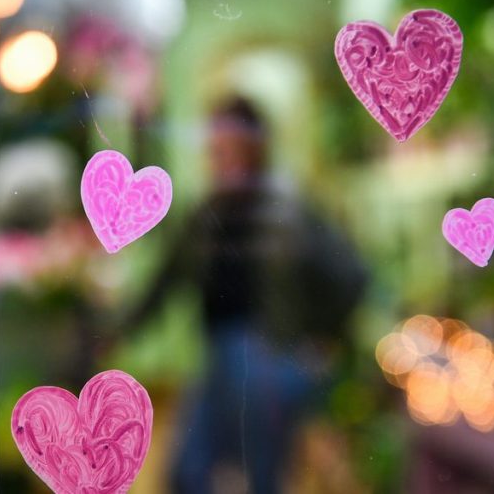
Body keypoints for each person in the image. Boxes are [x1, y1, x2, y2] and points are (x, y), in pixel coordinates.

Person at [126, 96, 367, 493]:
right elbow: (164, 283)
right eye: (214, 147)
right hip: (218, 360)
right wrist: (118, 331)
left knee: (260, 473)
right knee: (189, 472)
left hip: (269, 358)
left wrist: (321, 344)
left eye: (229, 144)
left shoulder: (288, 213)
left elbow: (351, 276)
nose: (218, 155)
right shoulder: (205, 216)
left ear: (254, 148)